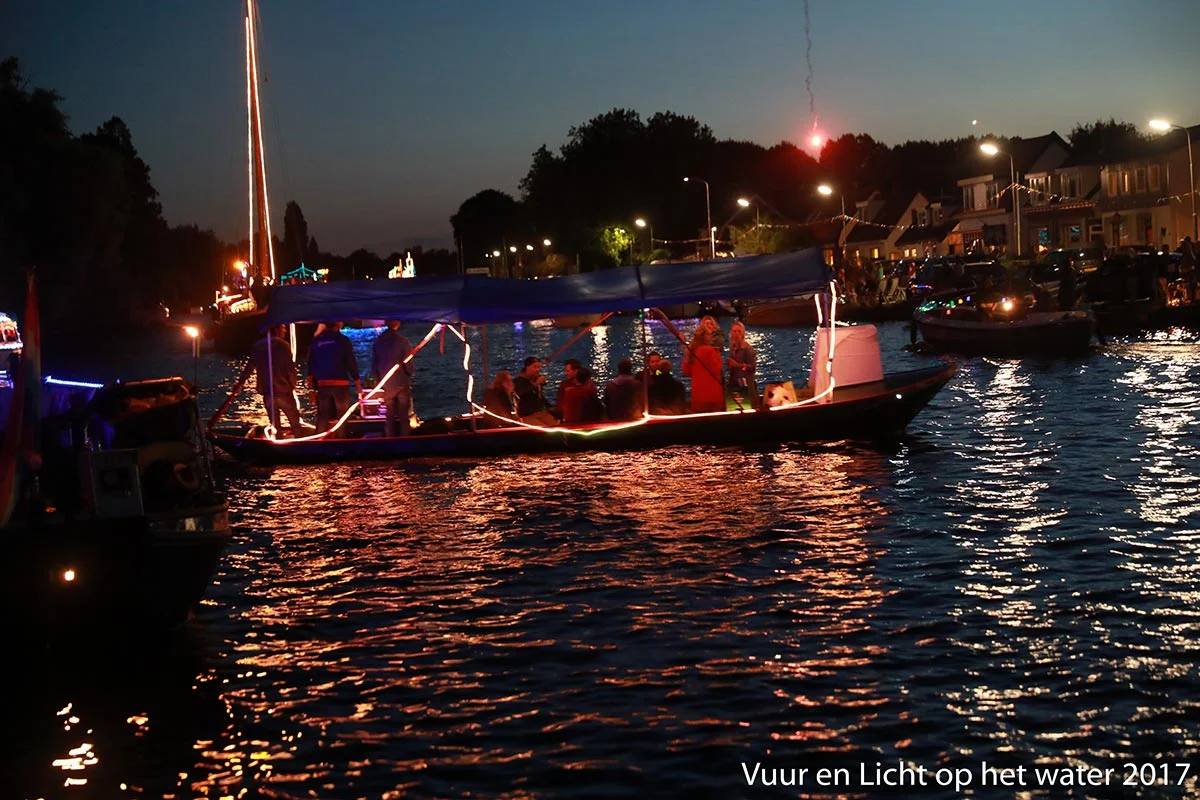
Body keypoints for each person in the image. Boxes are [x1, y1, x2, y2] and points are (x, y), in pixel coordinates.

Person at [307, 320, 362, 436]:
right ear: (338, 324)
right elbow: (350, 362)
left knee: (323, 415)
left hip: (322, 383)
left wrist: (311, 386)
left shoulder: (316, 341)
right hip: (340, 382)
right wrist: (357, 382)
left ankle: (319, 442)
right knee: (342, 415)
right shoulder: (343, 340)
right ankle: (341, 442)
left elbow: (311, 363)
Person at [251, 324, 306, 434]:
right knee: (295, 423)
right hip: (283, 391)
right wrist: (292, 385)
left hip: (268, 392)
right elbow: (290, 369)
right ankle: (298, 444)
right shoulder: (283, 346)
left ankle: (278, 444)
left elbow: (249, 368)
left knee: (275, 425)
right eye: (283, 328)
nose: (285, 331)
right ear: (276, 329)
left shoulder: (257, 346)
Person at [370, 320, 414, 437]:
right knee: (404, 415)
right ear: (397, 324)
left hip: (387, 383)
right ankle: (405, 440)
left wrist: (380, 381)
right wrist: (409, 374)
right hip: (401, 381)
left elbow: (374, 365)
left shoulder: (378, 341)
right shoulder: (403, 341)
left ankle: (389, 439)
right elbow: (409, 365)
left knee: (389, 415)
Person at [683, 326, 724, 413]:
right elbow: (718, 368)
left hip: (697, 396)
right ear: (704, 336)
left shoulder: (691, 351)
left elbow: (686, 371)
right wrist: (717, 353)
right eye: (709, 334)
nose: (711, 337)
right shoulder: (710, 351)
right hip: (712, 395)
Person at [725, 321, 758, 409]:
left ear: (743, 333)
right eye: (734, 331)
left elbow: (753, 368)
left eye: (739, 331)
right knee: (734, 408)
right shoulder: (733, 347)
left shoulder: (748, 349)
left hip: (745, 385)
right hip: (735, 383)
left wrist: (738, 365)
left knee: (745, 408)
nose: (736, 334)